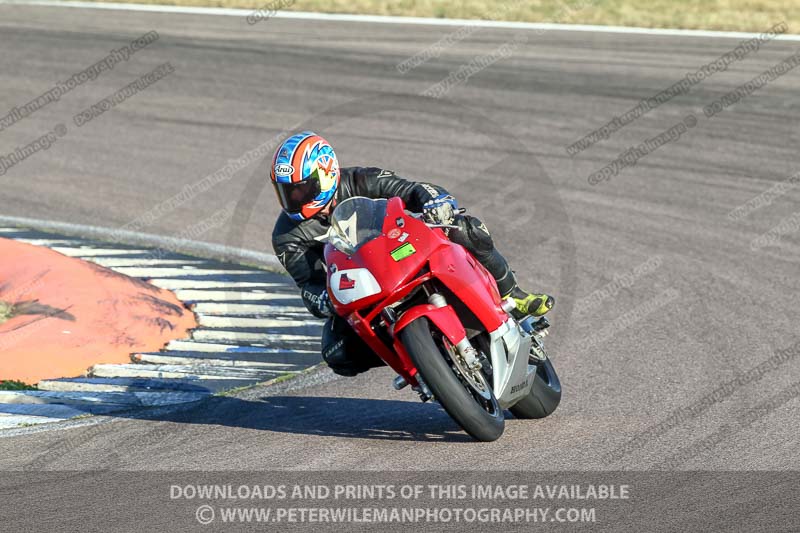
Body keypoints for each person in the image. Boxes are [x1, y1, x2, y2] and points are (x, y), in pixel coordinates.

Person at [271, 131, 554, 376]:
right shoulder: (286, 236)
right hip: (363, 287)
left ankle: (511, 294)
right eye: (286, 192)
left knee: (465, 229)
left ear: (326, 173)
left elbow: (413, 190)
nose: (293, 199)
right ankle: (422, 363)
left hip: (400, 251)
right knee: (337, 352)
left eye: (300, 189)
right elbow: (308, 283)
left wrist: (435, 200)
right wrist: (321, 298)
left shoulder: (361, 180)